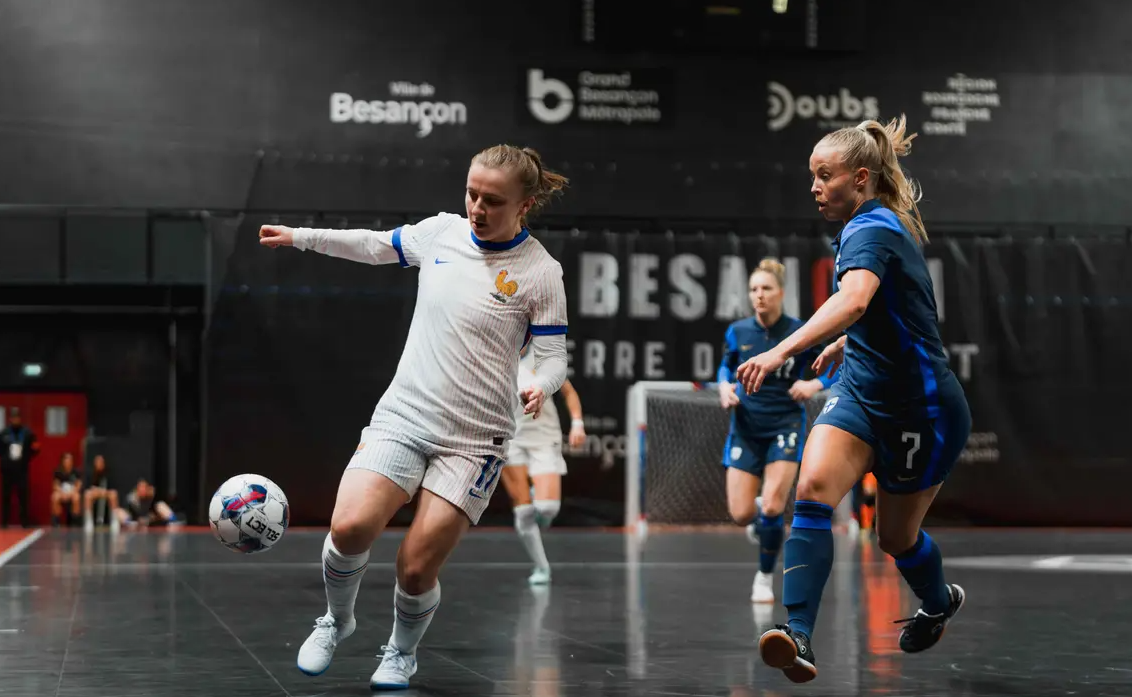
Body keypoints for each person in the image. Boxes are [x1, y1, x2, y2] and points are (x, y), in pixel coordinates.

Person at [258, 144, 569, 690]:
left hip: (476, 440)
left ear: (524, 204)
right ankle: (337, 619)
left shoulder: (541, 272)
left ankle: (401, 652)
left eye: (492, 200)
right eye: (471, 192)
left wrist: (540, 385)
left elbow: (552, 356)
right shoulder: (441, 234)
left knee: (416, 567)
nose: (476, 206)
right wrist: (303, 237)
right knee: (350, 526)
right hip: (404, 414)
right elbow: (375, 246)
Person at [737, 115, 971, 683]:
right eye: (812, 176)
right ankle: (797, 635)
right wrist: (849, 341)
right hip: (862, 392)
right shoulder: (864, 227)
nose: (814, 188)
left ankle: (938, 601)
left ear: (860, 179)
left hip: (924, 409)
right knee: (813, 490)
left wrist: (778, 351)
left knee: (895, 537)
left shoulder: (871, 228)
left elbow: (859, 298)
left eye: (825, 176)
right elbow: (895, 306)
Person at [717, 258, 838, 604]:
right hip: (746, 427)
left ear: (781, 293)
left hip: (785, 424)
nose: (759, 296)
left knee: (772, 506)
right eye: (754, 289)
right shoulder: (739, 332)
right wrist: (724, 387)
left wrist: (814, 384)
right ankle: (760, 523)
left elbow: (830, 369)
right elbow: (725, 369)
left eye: (766, 289)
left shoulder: (800, 331)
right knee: (742, 514)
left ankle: (764, 577)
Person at [499, 342, 587, 586]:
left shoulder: (542, 359)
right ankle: (542, 567)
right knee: (524, 511)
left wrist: (578, 424)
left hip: (544, 438)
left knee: (547, 508)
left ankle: (539, 505)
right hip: (511, 438)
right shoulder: (494, 360)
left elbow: (568, 392)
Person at [0, 407, 39, 528]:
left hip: (22, 470)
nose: (15, 419)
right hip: (7, 471)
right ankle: (4, 522)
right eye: (13, 417)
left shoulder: (27, 433)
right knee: (6, 496)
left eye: (17, 417)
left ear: (20, 418)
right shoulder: (4, 433)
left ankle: (24, 522)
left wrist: (27, 457)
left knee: (23, 496)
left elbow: (36, 448)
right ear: (10, 418)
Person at [84, 455, 121, 533]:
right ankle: (88, 522)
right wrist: (98, 491)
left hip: (106, 494)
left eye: (101, 462)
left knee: (114, 495)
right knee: (87, 495)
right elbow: (89, 488)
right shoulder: (90, 474)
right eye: (97, 462)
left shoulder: (109, 474)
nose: (99, 464)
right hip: (95, 495)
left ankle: (114, 521)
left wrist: (102, 491)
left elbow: (112, 489)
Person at [51, 452, 83, 526]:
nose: (68, 461)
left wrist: (71, 493)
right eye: (66, 459)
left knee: (77, 497)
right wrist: (62, 493)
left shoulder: (76, 472)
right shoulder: (58, 471)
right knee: (55, 497)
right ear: (63, 461)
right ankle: (56, 522)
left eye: (69, 459)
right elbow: (55, 485)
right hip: (62, 493)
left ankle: (75, 521)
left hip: (72, 493)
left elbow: (78, 485)